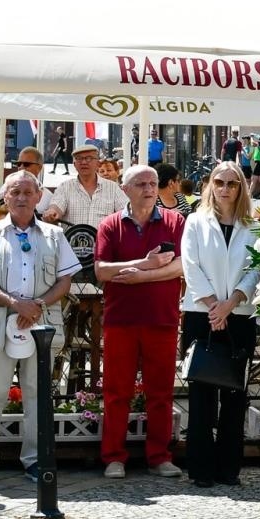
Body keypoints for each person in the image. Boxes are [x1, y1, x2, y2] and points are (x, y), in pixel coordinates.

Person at [0, 172, 78, 485]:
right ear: (5, 196)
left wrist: (36, 304)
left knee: (37, 393)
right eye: (16, 191)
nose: (23, 197)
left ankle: (34, 459)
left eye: (29, 191)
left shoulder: (54, 235)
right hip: (0, 321)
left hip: (39, 322)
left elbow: (65, 281)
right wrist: (16, 304)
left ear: (40, 197)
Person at [93, 165, 186, 479]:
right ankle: (114, 457)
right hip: (121, 320)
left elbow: (181, 267)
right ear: (125, 189)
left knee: (160, 392)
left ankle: (159, 456)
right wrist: (142, 264)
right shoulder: (109, 226)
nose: (149, 189)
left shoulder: (175, 221)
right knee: (116, 391)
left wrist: (139, 277)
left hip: (162, 318)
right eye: (141, 184)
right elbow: (102, 271)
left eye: (153, 183)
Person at [178, 160, 258, 488]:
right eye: (219, 182)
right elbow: (190, 265)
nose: (225, 189)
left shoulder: (253, 225)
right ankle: (201, 468)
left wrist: (231, 303)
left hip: (239, 315)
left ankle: (229, 468)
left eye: (232, 183)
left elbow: (257, 269)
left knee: (235, 396)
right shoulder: (196, 222)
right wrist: (214, 305)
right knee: (201, 394)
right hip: (201, 314)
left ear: (241, 188)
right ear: (210, 185)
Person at [43, 144, 127, 227]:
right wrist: (52, 212)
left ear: (98, 163)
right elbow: (56, 206)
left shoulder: (113, 188)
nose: (83, 162)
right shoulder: (65, 187)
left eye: (89, 158)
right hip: (72, 239)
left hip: (104, 240)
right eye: (79, 158)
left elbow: (125, 213)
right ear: (74, 164)